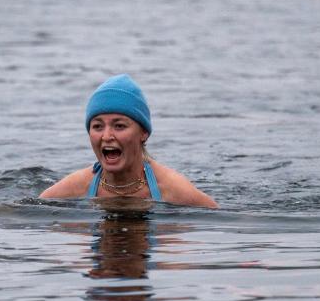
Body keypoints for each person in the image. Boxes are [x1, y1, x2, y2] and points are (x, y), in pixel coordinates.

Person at [40, 74, 217, 208]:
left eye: (119, 126)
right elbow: (29, 212)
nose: (106, 136)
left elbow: (219, 223)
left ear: (144, 133)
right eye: (97, 126)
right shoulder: (77, 185)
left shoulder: (172, 188)